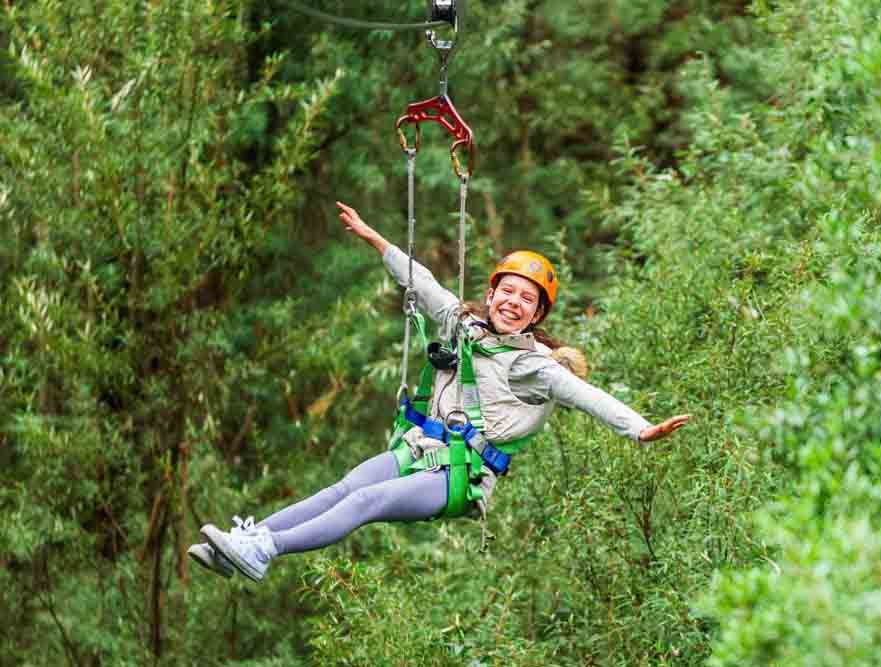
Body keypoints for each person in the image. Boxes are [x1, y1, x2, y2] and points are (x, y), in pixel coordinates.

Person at [189, 202, 690, 583]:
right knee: (342, 489)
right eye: (507, 291)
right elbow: (423, 283)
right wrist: (376, 240)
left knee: (366, 501)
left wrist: (640, 429)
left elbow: (587, 396)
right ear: (491, 294)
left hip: (458, 476)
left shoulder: (533, 366)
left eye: (527, 299)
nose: (513, 302)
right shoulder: (464, 324)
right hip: (418, 449)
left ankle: (264, 551)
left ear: (537, 315)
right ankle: (244, 543)